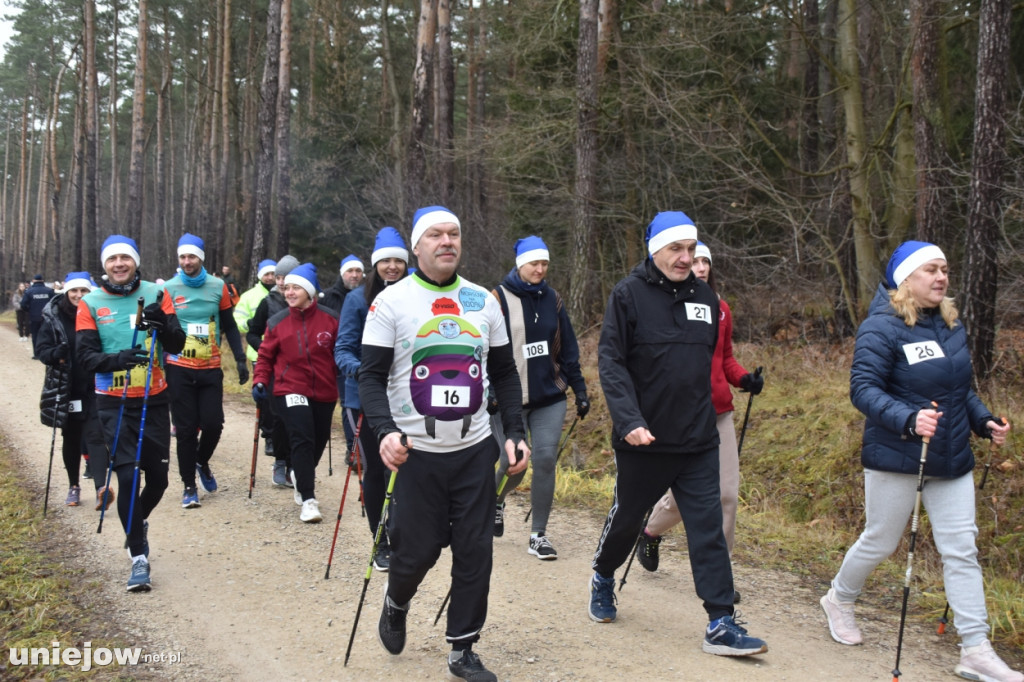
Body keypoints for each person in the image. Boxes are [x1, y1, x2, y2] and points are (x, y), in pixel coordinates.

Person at [820, 241, 1021, 682]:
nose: (941, 277)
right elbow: (864, 390)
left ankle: (975, 649)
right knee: (880, 540)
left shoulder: (950, 325)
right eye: (931, 269)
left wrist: (984, 422)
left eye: (945, 269)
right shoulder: (881, 327)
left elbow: (960, 390)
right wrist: (909, 419)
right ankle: (839, 598)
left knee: (961, 551)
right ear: (906, 279)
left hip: (951, 459)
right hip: (897, 454)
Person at [359, 205, 530, 682]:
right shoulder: (390, 302)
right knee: (418, 552)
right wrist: (386, 431)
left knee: (476, 551)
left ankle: (462, 648)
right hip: (416, 454)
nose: (446, 241)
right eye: (435, 234)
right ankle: (397, 601)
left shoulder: (483, 300)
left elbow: (504, 374)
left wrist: (514, 432)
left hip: (475, 450)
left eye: (454, 233)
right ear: (417, 247)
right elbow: (371, 378)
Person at [588, 211, 768, 657]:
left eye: (692, 249)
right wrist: (629, 420)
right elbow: (611, 362)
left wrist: (735, 385)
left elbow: (706, 363)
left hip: (698, 438)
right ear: (655, 249)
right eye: (676, 249)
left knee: (707, 528)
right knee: (629, 518)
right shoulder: (627, 295)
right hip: (643, 440)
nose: (686, 258)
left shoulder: (706, 298)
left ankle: (720, 622)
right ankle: (603, 576)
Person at [634, 241, 764, 599]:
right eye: (697, 259)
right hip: (677, 414)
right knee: (684, 495)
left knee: (725, 495)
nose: (701, 266)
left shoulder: (720, 309)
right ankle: (650, 531)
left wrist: (744, 379)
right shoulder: (663, 306)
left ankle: (720, 576)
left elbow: (725, 360)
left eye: (706, 260)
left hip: (718, 414)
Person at [77, 235, 186, 592]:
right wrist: (117, 360)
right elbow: (85, 358)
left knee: (158, 481)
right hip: (113, 401)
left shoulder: (157, 293)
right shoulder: (91, 302)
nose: (119, 264)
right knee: (128, 477)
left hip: (154, 398)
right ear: (104, 265)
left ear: (135, 262)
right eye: (112, 260)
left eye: (125, 258)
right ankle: (139, 557)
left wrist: (163, 323)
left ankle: (136, 524)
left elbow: (177, 344)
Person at [490, 235, 588, 560]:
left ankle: (538, 535)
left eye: (545, 263)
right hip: (507, 399)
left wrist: (580, 390)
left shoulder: (553, 299)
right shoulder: (498, 298)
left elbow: (567, 348)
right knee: (512, 462)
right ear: (520, 264)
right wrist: (488, 391)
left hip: (549, 397)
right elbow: (482, 349)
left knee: (545, 460)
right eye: (535, 263)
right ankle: (495, 501)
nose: (540, 269)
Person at [334, 227, 410, 571]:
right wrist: (363, 372)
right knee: (377, 471)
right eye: (385, 261)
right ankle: (380, 542)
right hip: (363, 398)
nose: (392, 267)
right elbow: (343, 348)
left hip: (408, 396)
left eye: (398, 261)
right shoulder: (356, 299)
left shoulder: (415, 294)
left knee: (408, 468)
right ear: (375, 264)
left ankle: (406, 533)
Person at [163, 233, 249, 509]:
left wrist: (239, 358)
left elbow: (230, 325)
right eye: (183, 257)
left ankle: (201, 460)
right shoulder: (169, 288)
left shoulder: (218, 286)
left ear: (201, 258)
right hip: (179, 366)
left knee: (213, 423)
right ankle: (189, 486)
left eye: (192, 257)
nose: (187, 262)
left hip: (210, 366)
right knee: (186, 429)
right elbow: (162, 328)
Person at [251, 263, 339, 523]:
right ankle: (309, 500)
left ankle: (301, 476)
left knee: (319, 440)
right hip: (290, 387)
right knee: (302, 437)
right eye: (286, 287)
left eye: (295, 287)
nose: (288, 292)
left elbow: (341, 352)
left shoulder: (331, 319)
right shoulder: (277, 322)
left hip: (324, 390)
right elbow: (265, 356)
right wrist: (259, 381)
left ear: (310, 291)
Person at [36, 272, 107, 506]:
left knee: (96, 436)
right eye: (74, 291)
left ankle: (101, 488)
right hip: (68, 389)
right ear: (66, 292)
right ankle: (73, 486)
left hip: (94, 386)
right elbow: (42, 350)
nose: (78, 295)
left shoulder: (98, 313)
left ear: (90, 292)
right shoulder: (54, 317)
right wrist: (55, 354)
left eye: (84, 291)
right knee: (72, 437)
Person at [246, 255, 300, 486]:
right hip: (275, 370)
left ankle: (295, 465)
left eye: (285, 278)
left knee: (299, 420)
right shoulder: (267, 303)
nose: (280, 282)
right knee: (278, 418)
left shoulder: (308, 303)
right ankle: (280, 463)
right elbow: (252, 333)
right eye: (278, 277)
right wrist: (268, 350)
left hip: (301, 370)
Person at [235, 259, 277, 457]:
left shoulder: (289, 293)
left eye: (273, 274)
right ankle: (268, 434)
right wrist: (252, 323)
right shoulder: (250, 296)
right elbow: (238, 320)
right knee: (265, 396)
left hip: (283, 354)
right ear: (260, 276)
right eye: (266, 274)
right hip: (258, 352)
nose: (270, 277)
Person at [21, 274, 56, 357]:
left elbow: (23, 304)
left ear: (33, 281)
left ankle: (37, 354)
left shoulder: (29, 291)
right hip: (47, 317)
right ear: (42, 281)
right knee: (47, 335)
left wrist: (29, 310)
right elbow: (55, 302)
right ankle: (47, 353)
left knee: (35, 335)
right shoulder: (49, 291)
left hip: (34, 317)